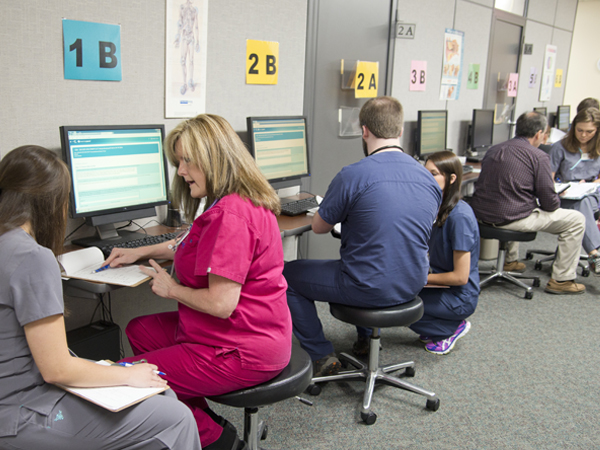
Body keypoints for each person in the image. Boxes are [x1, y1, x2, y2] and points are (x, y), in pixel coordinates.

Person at [104, 114, 291, 450]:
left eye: (187, 161)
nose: (180, 171)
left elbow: (221, 305)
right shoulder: (235, 200)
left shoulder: (230, 216)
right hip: (254, 330)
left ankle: (216, 440)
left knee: (125, 376)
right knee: (140, 330)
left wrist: (171, 289)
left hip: (241, 347)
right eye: (179, 161)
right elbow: (189, 242)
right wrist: (139, 251)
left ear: (214, 158)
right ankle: (199, 417)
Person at [0, 146, 201, 450]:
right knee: (175, 416)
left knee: (159, 395)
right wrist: (126, 374)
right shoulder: (32, 258)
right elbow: (56, 368)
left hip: (18, 398)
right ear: (53, 202)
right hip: (22, 412)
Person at [283, 96, 442, 376]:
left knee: (287, 275)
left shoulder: (353, 175)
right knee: (373, 259)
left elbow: (319, 227)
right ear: (400, 130)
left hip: (367, 286)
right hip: (414, 281)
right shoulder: (427, 178)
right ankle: (366, 341)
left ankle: (321, 356)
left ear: (364, 130)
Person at [470, 111, 586, 295]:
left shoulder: (494, 149)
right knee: (576, 219)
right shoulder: (538, 156)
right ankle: (562, 279)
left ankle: (510, 261)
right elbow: (549, 203)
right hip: (512, 219)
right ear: (539, 134)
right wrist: (554, 198)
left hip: (482, 216)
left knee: (516, 202)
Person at [409, 151, 479, 355]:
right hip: (445, 287)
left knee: (401, 304)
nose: (426, 179)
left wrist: (421, 280)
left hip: (460, 296)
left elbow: (460, 277)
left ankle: (448, 329)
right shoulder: (436, 209)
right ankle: (437, 323)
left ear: (452, 179)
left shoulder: (460, 218)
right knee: (397, 292)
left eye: (433, 174)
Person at [549, 107, 600, 272]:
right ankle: (595, 253)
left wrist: (592, 183)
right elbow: (548, 178)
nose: (584, 135)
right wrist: (559, 188)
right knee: (582, 205)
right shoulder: (560, 147)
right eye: (580, 130)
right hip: (568, 195)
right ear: (573, 127)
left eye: (589, 131)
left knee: (585, 202)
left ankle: (595, 254)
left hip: (594, 193)